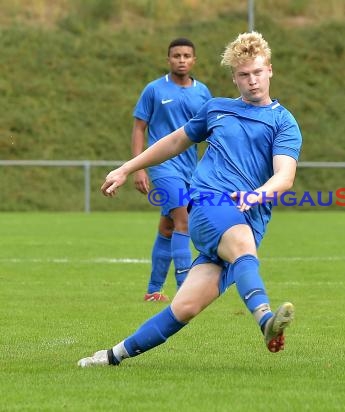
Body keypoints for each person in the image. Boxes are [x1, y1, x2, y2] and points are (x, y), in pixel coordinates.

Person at [78, 31, 302, 367]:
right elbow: (173, 142)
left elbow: (284, 176)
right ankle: (266, 321)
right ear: (234, 77)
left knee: (184, 308)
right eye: (243, 75)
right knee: (241, 244)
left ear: (269, 70)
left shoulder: (284, 122)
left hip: (249, 218)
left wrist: (256, 195)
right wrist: (126, 168)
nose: (252, 81)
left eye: (257, 72)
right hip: (211, 205)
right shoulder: (217, 110)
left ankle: (111, 356)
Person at [132, 38, 212, 302]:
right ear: (168, 59)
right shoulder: (154, 90)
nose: (181, 59)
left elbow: (209, 130)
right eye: (176, 55)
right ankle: (184, 290)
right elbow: (139, 128)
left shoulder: (203, 92)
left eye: (186, 55)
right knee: (183, 221)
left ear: (193, 60)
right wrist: (139, 168)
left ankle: (153, 290)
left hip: (191, 168)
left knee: (168, 228)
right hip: (162, 166)